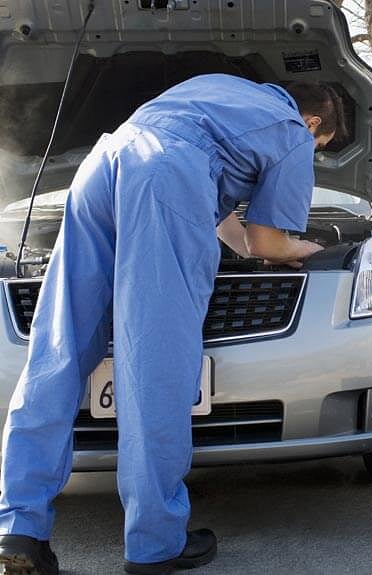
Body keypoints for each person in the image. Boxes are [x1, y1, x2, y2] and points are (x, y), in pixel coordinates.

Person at [0, 73, 345, 575]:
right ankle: (155, 544)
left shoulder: (218, 89)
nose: (310, 153)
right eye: (319, 147)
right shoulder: (292, 128)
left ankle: (19, 528)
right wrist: (306, 249)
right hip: (165, 179)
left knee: (59, 348)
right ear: (314, 122)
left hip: (104, 164)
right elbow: (267, 243)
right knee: (154, 363)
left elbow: (220, 213)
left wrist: (237, 243)